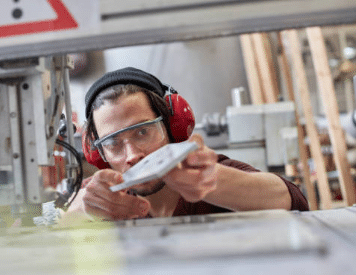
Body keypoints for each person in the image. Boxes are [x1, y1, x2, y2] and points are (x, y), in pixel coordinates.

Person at [67, 67, 309, 221]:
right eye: (113, 143)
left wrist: (212, 182)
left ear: (173, 127)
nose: (132, 155)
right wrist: (87, 210)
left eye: (142, 132)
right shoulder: (107, 195)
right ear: (98, 154)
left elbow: (290, 200)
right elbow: (60, 219)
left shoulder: (211, 172)